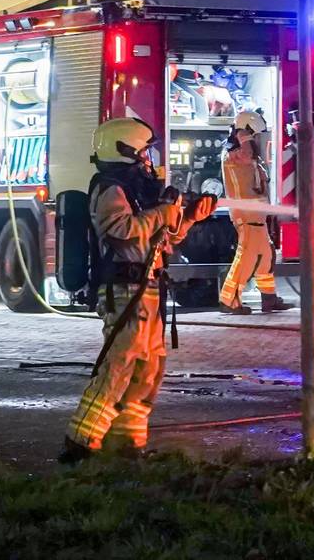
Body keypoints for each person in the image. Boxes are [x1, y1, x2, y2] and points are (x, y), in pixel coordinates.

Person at [63, 117, 216, 462]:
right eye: (145, 151)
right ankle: (80, 443)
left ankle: (127, 444)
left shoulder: (137, 190)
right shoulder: (109, 188)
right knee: (119, 364)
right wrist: (163, 212)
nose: (150, 158)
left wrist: (188, 217)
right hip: (122, 289)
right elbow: (121, 232)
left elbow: (163, 239)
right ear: (127, 149)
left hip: (147, 288)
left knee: (149, 368)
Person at [219, 110, 294, 314]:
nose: (257, 140)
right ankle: (229, 300)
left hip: (256, 215)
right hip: (247, 214)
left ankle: (269, 298)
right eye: (255, 134)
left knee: (265, 255)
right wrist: (244, 136)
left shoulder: (242, 152)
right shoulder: (236, 152)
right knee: (247, 258)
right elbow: (246, 155)